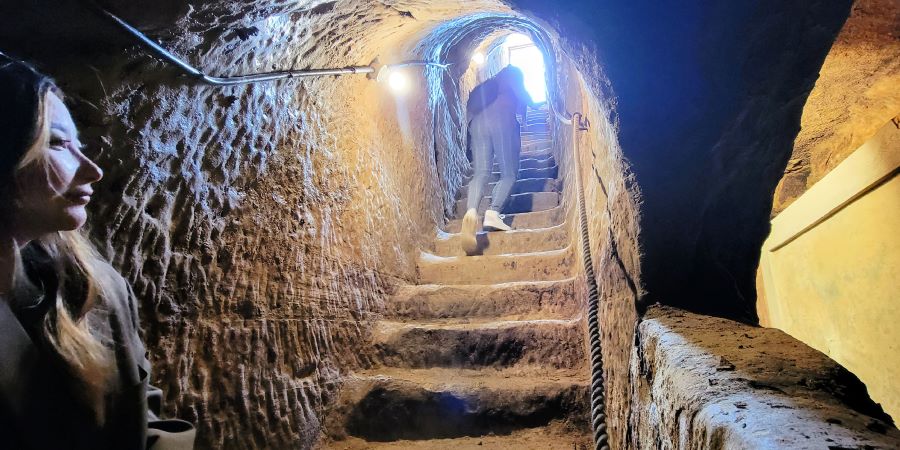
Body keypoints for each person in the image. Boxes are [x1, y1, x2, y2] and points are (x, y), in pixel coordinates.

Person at [0, 53, 195, 449]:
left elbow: (138, 407)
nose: (92, 169)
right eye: (57, 143)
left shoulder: (97, 289)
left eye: (80, 144)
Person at [460, 65, 538, 255]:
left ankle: (471, 212)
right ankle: (493, 213)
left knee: (480, 173)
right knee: (509, 173)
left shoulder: (490, 83)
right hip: (501, 120)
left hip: (478, 124)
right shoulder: (514, 77)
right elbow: (526, 97)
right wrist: (540, 103)